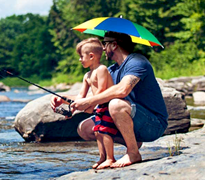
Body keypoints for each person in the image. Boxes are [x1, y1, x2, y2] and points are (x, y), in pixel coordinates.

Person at [71, 31, 169, 168]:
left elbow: (123, 90)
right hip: (133, 118)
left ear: (114, 45)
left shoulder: (137, 61)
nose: (103, 48)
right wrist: (64, 100)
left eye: (105, 44)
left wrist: (89, 102)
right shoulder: (112, 70)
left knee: (115, 104)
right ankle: (132, 142)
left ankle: (133, 152)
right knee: (85, 128)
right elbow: (97, 95)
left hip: (153, 124)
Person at [51, 37, 118, 170]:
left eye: (81, 56)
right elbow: (81, 96)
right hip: (98, 106)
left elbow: (101, 90)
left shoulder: (102, 69)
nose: (80, 60)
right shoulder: (87, 76)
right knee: (98, 132)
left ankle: (110, 158)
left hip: (107, 105)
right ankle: (102, 157)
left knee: (105, 131)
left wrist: (91, 105)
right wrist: (71, 110)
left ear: (91, 56)